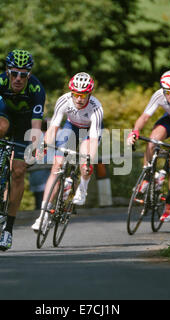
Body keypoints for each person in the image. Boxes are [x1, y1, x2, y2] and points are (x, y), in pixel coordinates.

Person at [0, 49, 46, 250]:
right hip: (4, 117)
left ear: (29, 75)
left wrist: (36, 143)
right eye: (14, 73)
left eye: (23, 74)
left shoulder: (37, 89)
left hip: (25, 127)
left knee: (19, 172)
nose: (18, 78)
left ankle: (8, 230)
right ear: (7, 71)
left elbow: (36, 126)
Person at [31, 72, 104, 231]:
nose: (79, 98)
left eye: (83, 95)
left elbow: (92, 139)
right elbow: (53, 127)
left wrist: (88, 161)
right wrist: (43, 145)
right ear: (72, 93)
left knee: (84, 161)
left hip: (89, 132)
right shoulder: (64, 100)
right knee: (56, 167)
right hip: (70, 127)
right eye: (76, 94)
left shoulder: (96, 107)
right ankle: (43, 216)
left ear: (89, 94)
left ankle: (82, 187)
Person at [127, 70, 170, 222]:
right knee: (152, 140)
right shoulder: (159, 94)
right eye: (167, 92)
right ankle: (146, 178)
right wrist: (135, 131)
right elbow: (145, 116)